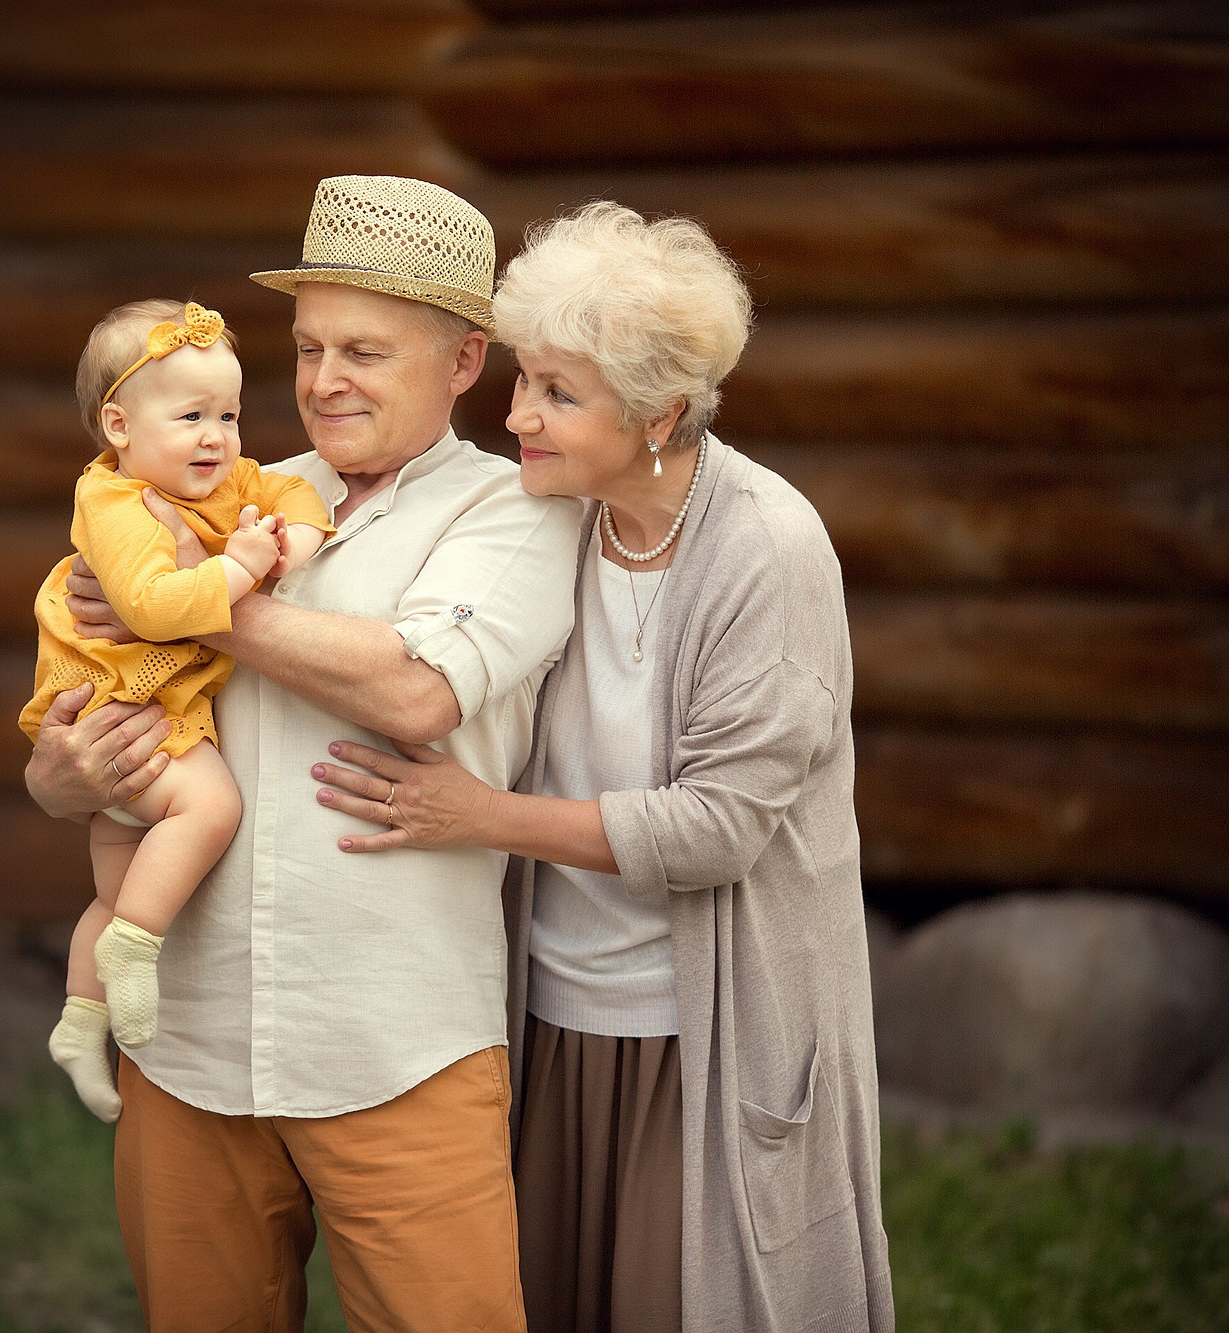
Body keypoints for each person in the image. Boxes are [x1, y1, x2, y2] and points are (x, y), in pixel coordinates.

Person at [309, 201, 894, 1331]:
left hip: (703, 1038)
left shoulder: (765, 547)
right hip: (554, 1022)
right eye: (524, 380)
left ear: (657, 412)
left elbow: (714, 830)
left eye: (558, 394)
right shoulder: (558, 519)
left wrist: (481, 815)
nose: (517, 415)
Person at [24, 175, 582, 1330]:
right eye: (309, 346)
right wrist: (59, 775)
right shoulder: (235, 495)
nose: (325, 382)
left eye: (365, 352)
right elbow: (86, 705)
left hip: (395, 1039)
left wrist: (182, 604)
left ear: (464, 362)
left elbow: (417, 688)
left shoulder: (509, 508)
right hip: (186, 1038)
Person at [23, 298, 334, 1123]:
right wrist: (239, 568)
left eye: (229, 414)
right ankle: (136, 948)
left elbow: (296, 491)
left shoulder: (225, 479)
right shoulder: (116, 504)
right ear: (119, 425)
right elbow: (157, 609)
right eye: (191, 415)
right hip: (130, 702)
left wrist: (291, 545)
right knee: (212, 804)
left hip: (148, 710)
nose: (217, 436)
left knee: (115, 887)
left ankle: (81, 1026)